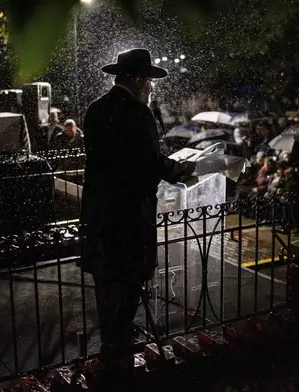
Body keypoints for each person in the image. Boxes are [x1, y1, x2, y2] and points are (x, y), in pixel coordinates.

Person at [79, 48, 195, 381]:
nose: (152, 89)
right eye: (149, 82)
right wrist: (179, 169)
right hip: (129, 217)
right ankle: (121, 359)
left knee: (106, 284)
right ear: (140, 79)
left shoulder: (96, 109)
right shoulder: (137, 113)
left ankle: (111, 349)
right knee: (128, 286)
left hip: (100, 214)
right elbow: (147, 163)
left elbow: (109, 162)